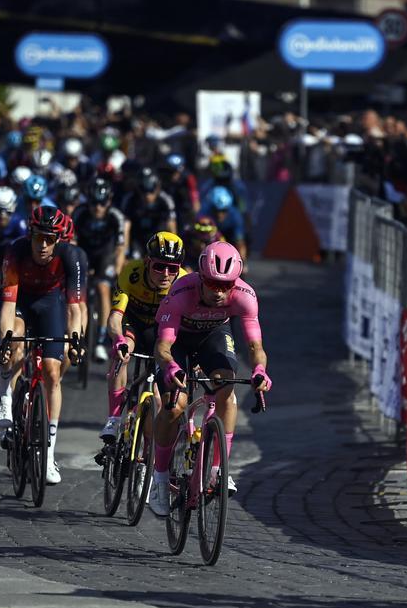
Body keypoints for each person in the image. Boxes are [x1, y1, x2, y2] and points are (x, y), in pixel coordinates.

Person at [149, 241, 271, 515]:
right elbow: (163, 347)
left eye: (225, 285)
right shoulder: (181, 292)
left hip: (213, 336)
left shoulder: (245, 296)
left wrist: (260, 371)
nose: (219, 292)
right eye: (213, 284)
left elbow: (255, 347)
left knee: (226, 388)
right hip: (178, 340)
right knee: (174, 406)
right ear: (201, 278)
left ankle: (217, 470)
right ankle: (159, 478)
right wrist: (170, 367)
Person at [0, 206, 87, 485]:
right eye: (39, 238)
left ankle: (48, 454)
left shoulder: (71, 256)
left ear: (58, 240)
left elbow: (75, 310)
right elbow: (8, 307)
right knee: (17, 342)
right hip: (21, 302)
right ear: (30, 235)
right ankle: (5, 395)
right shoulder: (15, 252)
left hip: (50, 304)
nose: (43, 245)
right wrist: (5, 342)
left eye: (49, 239)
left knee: (52, 371)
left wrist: (75, 340)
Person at [101, 231, 188, 441]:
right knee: (122, 352)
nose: (166, 274)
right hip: (134, 325)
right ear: (148, 262)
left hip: (162, 332)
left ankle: (149, 453)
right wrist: (118, 339)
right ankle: (113, 419)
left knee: (159, 399)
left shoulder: (184, 282)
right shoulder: (132, 272)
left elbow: (186, 328)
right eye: (159, 266)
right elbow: (114, 317)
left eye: (172, 268)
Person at [72, 177, 129, 364]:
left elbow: (120, 247)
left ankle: (101, 339)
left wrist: (118, 270)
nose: (98, 207)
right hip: (84, 253)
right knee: (75, 289)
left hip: (106, 255)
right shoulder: (79, 213)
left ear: (109, 201)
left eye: (102, 203)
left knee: (104, 288)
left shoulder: (116, 216)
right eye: (94, 203)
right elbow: (71, 242)